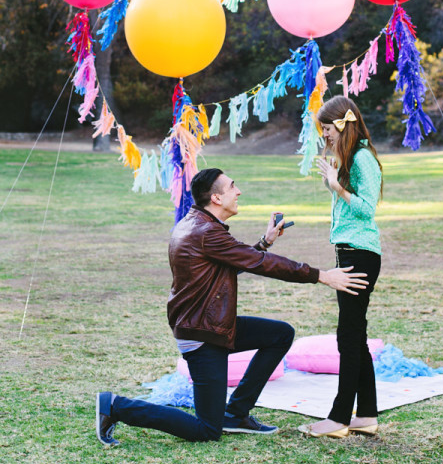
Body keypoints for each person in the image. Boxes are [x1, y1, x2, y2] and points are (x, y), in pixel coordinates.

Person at [96, 166, 366, 447]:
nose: (238, 191)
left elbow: (230, 264)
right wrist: (321, 275)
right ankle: (116, 406)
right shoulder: (206, 233)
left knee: (280, 334)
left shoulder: (199, 226)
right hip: (203, 334)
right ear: (215, 199)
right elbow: (261, 265)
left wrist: (264, 242)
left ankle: (236, 414)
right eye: (232, 187)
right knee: (206, 430)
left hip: (210, 323)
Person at [299, 96, 383, 439]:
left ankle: (338, 418)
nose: (325, 135)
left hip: (360, 254)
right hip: (348, 252)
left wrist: (337, 186)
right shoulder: (348, 158)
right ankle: (366, 415)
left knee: (347, 338)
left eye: (328, 128)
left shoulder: (364, 159)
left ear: (344, 123)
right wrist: (333, 177)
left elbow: (367, 209)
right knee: (354, 336)